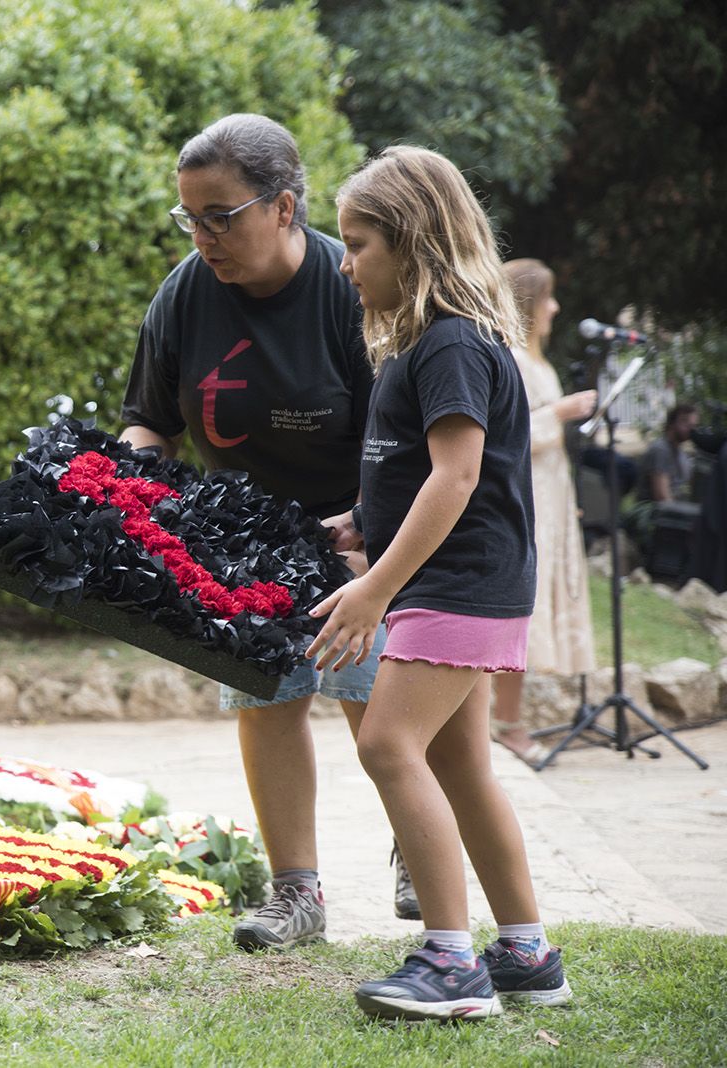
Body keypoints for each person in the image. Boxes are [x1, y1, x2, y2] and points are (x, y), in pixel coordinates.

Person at [118, 113, 395, 951]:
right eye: (189, 218)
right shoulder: (185, 292)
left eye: (220, 216)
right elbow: (148, 422)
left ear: (282, 207)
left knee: (375, 701)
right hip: (246, 541)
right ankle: (295, 895)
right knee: (268, 703)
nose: (203, 237)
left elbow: (406, 433)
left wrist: (372, 539)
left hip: (363, 534)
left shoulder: (351, 288)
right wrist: (133, 500)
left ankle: (420, 852)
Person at [311, 145, 571, 1021]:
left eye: (358, 244)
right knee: (462, 767)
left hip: (456, 587)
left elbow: (457, 478)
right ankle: (527, 955)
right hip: (459, 582)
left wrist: (374, 587)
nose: (344, 263)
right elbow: (421, 470)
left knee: (387, 745)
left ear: (414, 242)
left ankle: (452, 964)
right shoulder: (428, 344)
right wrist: (361, 520)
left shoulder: (453, 341)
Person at [489, 259, 598, 765]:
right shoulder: (510, 356)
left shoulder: (540, 361)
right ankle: (505, 721)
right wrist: (560, 412)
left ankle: (511, 717)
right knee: (521, 608)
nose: (555, 307)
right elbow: (507, 435)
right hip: (526, 497)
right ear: (530, 302)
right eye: (548, 297)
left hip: (551, 495)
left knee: (538, 605)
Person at [637, 403, 700, 503]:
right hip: (653, 513)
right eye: (686, 423)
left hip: (674, 511)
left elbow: (694, 485)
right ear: (671, 423)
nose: (691, 430)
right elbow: (662, 498)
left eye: (693, 426)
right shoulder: (660, 450)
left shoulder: (681, 454)